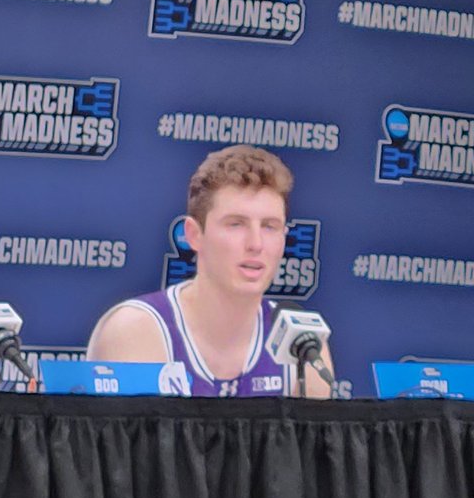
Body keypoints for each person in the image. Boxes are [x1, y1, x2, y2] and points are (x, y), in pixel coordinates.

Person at [86, 145, 334, 397]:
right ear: (194, 235)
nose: (256, 243)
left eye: (270, 227)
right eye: (236, 224)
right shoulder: (136, 330)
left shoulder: (303, 344)